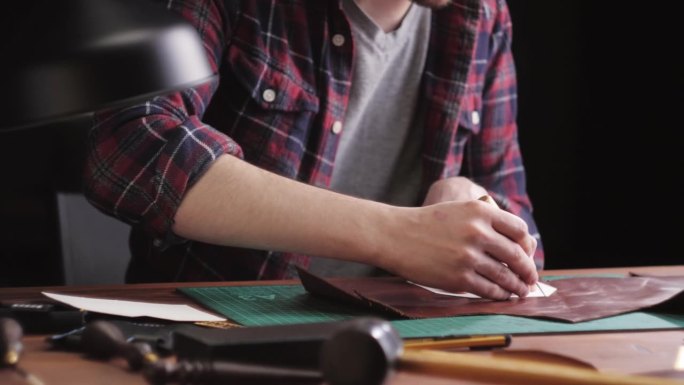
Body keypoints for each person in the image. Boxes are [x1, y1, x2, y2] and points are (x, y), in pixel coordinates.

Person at [85, 0, 544, 300]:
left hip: (405, 344)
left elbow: (526, 241)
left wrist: (467, 198)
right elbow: (131, 146)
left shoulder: (481, 15)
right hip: (217, 340)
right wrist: (396, 235)